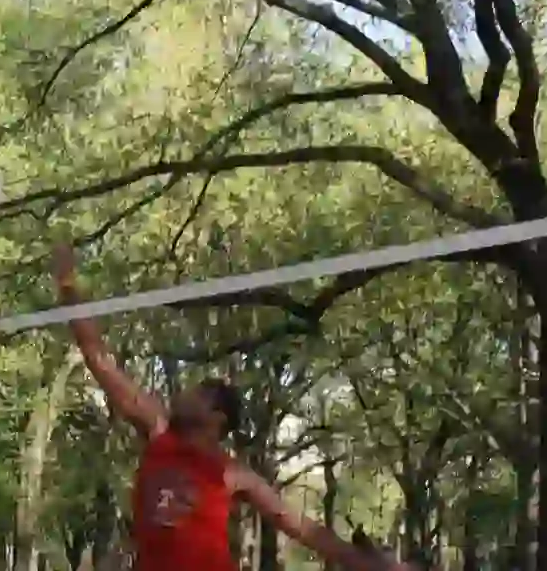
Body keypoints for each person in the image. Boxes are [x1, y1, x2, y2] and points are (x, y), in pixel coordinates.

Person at [50, 244, 411, 571]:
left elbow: (305, 530)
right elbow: (99, 359)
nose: (186, 392)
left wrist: (374, 566)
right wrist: (68, 284)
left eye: (200, 392)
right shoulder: (158, 430)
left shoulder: (233, 474)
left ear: (217, 418)